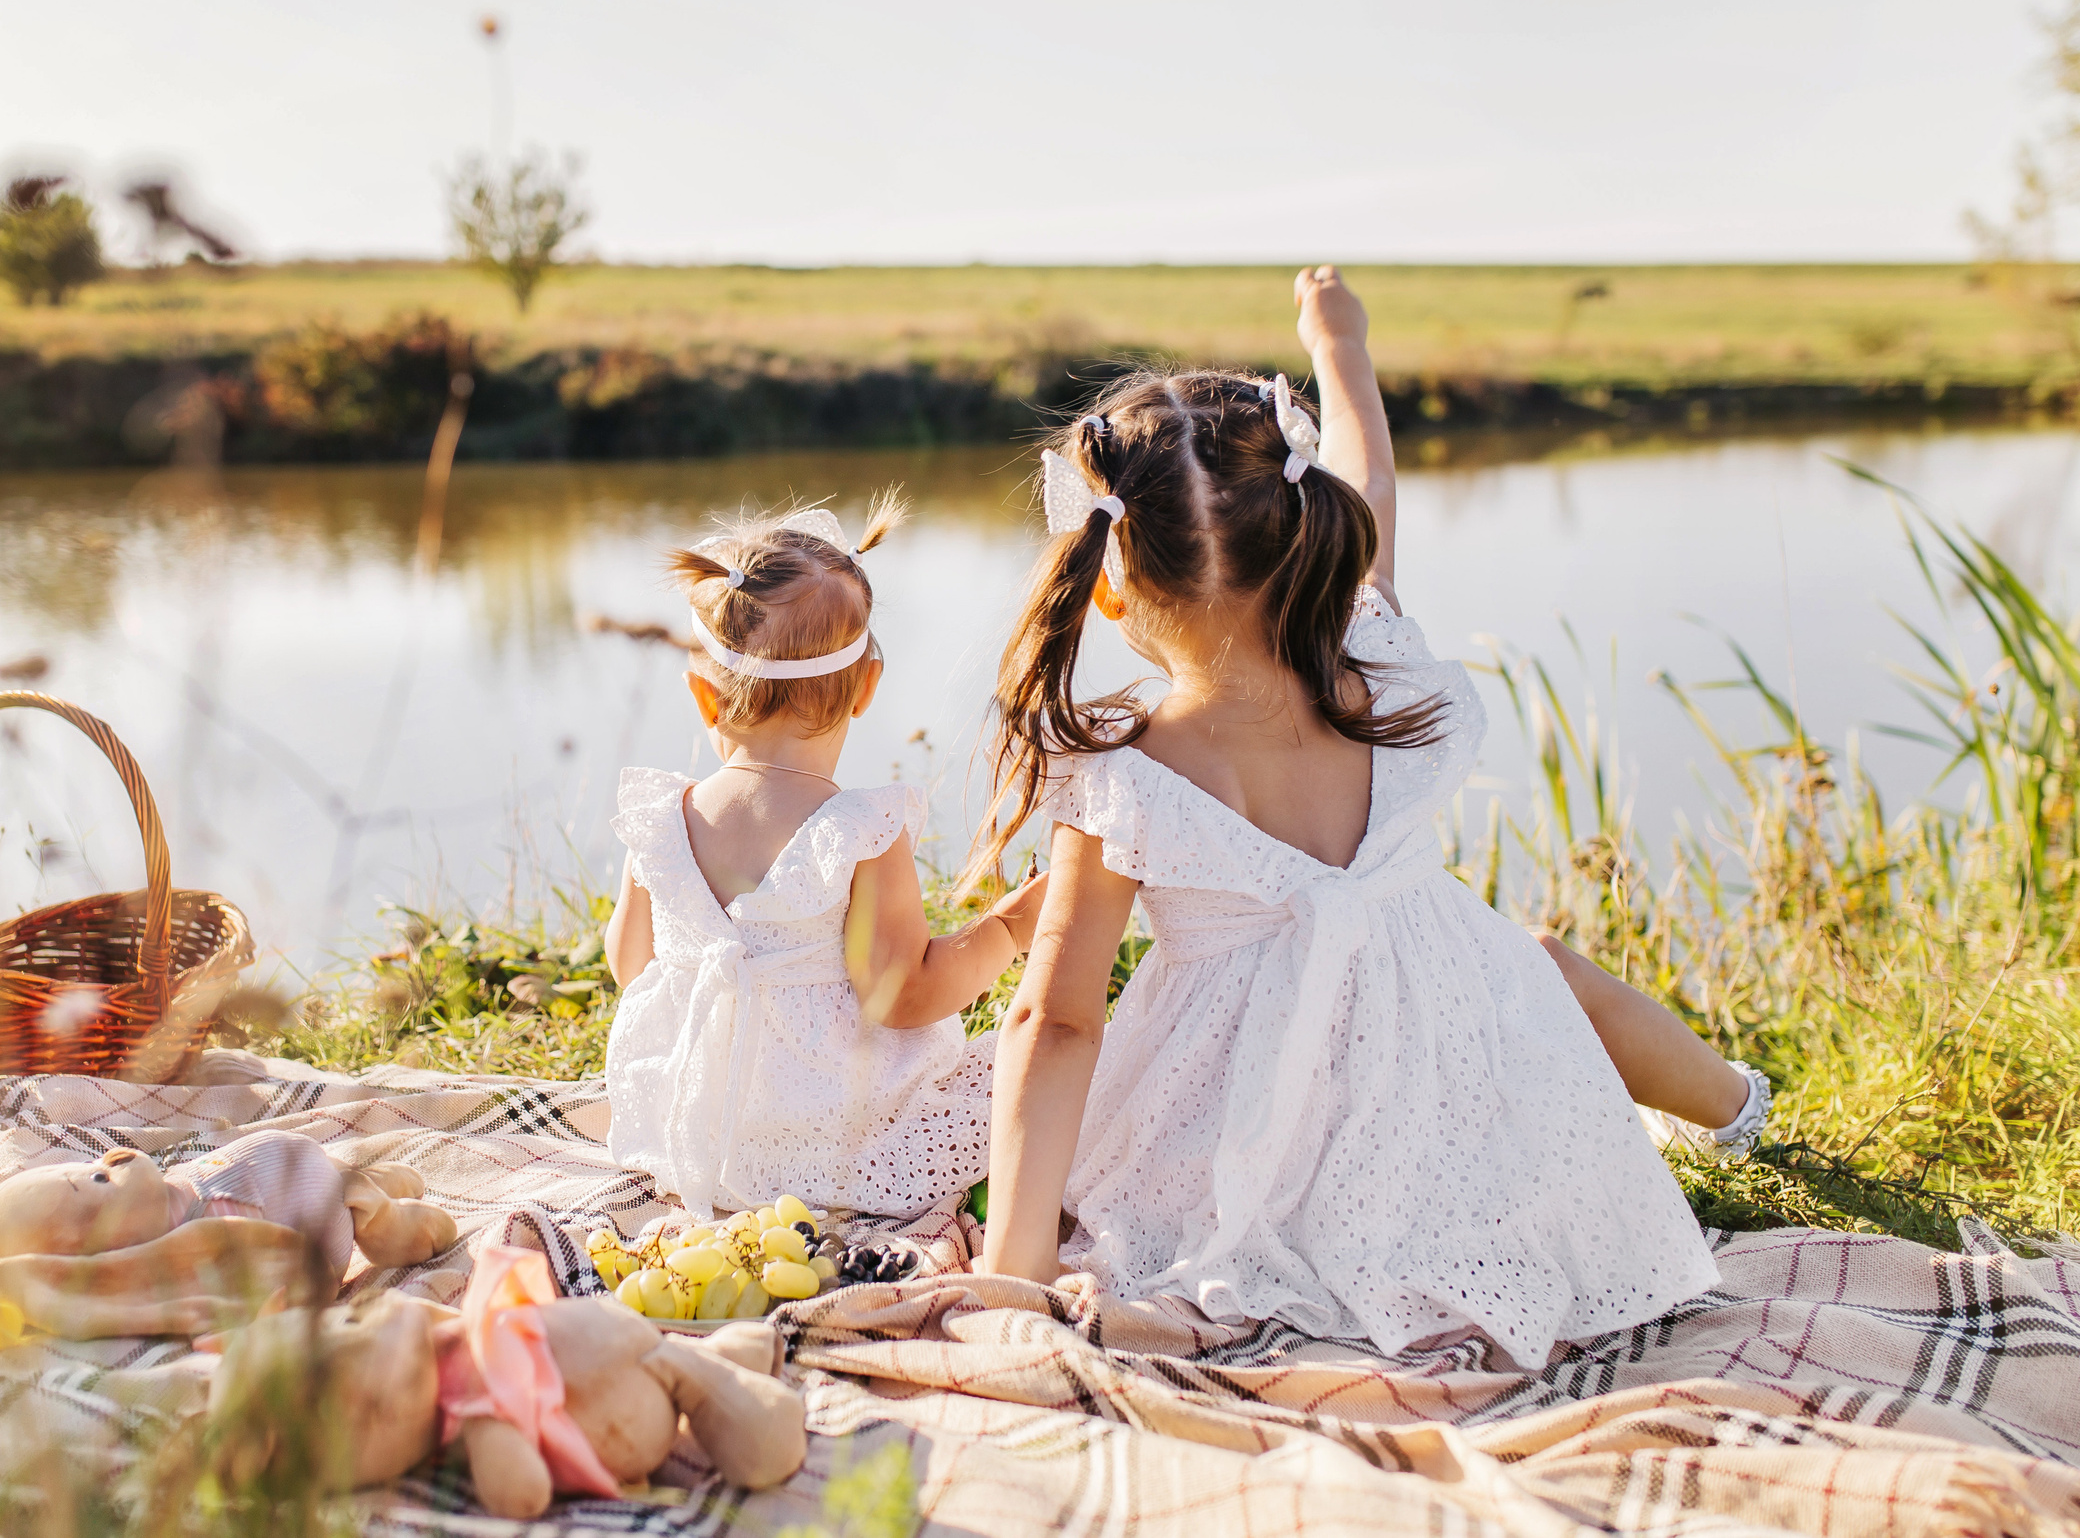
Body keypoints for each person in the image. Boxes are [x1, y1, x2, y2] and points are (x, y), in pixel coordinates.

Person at [965, 267, 1760, 1369]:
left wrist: (1011, 1265)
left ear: (1107, 579)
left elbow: (1055, 1022)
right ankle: (1740, 1109)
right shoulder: (1379, 667)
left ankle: (1735, 1114)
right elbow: (1370, 474)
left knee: (1524, 973)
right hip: (1438, 1078)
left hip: (1234, 1126)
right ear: (1307, 531)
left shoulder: (1126, 775)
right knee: (1536, 969)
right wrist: (1338, 345)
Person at [602, 498, 1042, 1220]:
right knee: (1021, 1071)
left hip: (696, 1136)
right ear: (867, 687)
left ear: (704, 697)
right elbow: (904, 994)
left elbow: (629, 966)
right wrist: (1009, 927)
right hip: (838, 1138)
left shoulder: (660, 820)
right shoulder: (859, 829)